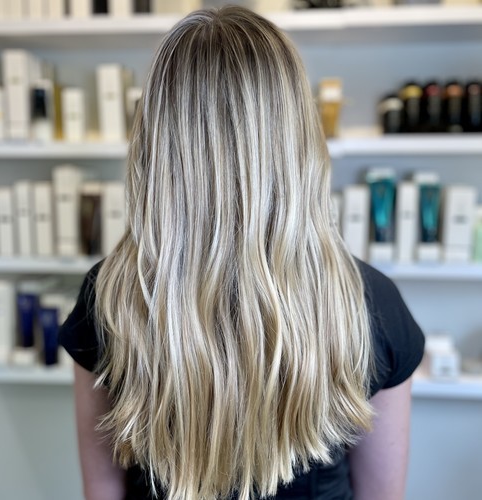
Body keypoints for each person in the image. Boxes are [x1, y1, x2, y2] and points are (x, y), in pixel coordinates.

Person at [59, 6, 425, 500]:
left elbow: (102, 492)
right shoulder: (370, 303)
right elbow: (382, 494)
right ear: (296, 135)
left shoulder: (112, 297)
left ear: (156, 138)